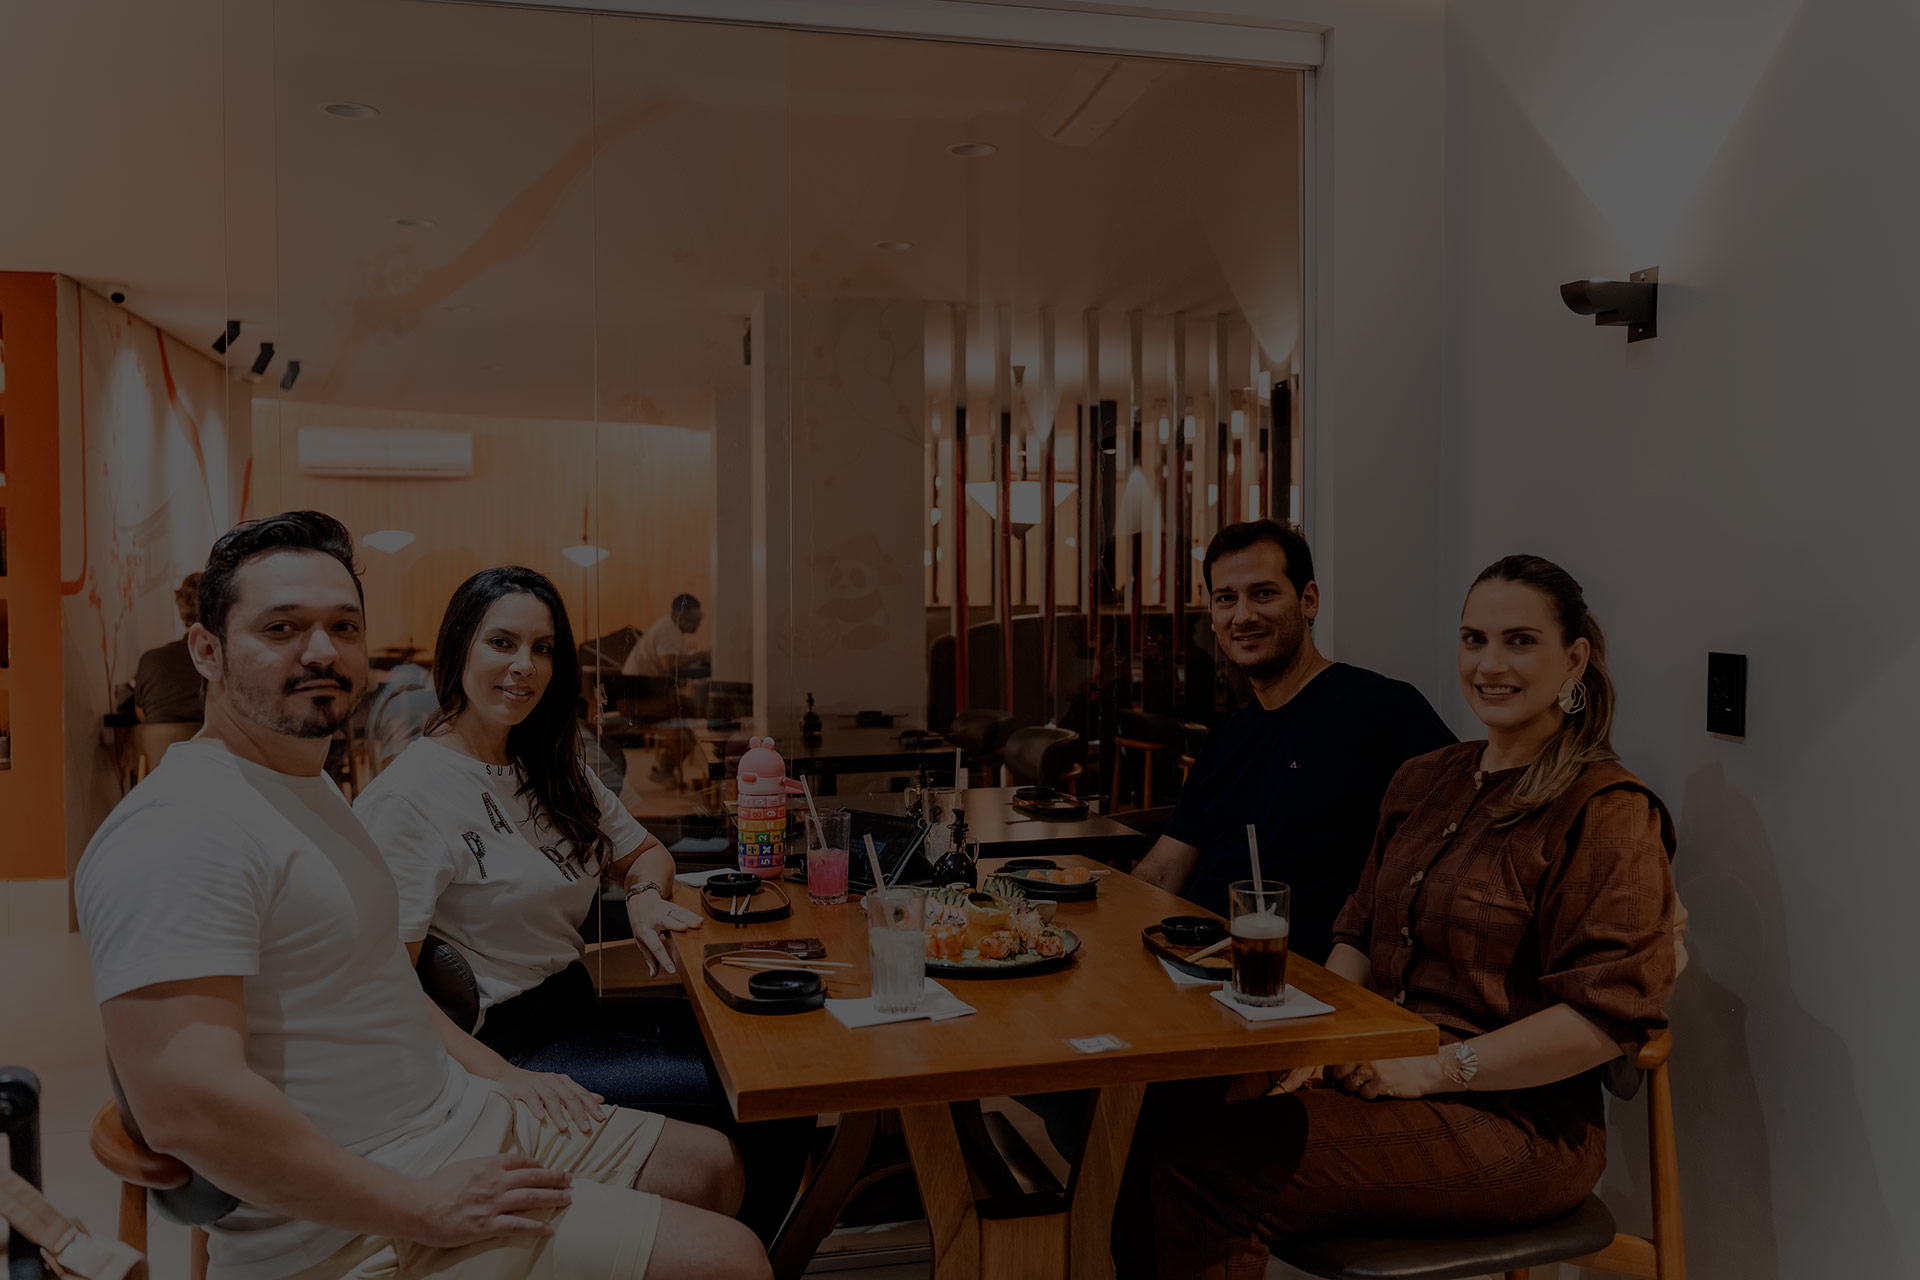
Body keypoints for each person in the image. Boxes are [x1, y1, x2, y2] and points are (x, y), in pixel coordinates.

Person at [76, 511, 769, 1280]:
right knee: (733, 1260)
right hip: (356, 1221)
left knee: (712, 1167)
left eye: (343, 626)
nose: (321, 650)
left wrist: (501, 1080)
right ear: (205, 650)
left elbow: (385, 980)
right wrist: (421, 1207)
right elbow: (189, 1109)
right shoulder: (180, 828)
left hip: (457, 1115)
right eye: (281, 627)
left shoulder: (308, 791)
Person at [1114, 554, 1680, 1278]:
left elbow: (1604, 1018)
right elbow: (1356, 932)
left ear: (1573, 660)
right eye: (1474, 639)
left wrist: (1433, 1069)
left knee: (1211, 1166)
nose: (1489, 664)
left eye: (1519, 641)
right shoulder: (1428, 777)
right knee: (1166, 1104)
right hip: (1376, 1068)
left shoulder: (1606, 809)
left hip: (1515, 1123)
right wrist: (1321, 1041)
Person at [354, 567, 806, 1239]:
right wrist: (505, 1077)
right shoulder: (409, 797)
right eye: (501, 643)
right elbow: (383, 985)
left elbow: (646, 852)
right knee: (764, 1095)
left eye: (542, 649)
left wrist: (644, 896)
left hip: (575, 1012)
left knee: (776, 1065)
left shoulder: (549, 762)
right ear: (458, 648)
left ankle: (745, 1256)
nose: (524, 666)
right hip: (505, 1050)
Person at [1131, 521, 1455, 964]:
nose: (1243, 615)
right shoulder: (1227, 737)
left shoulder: (1381, 708)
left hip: (1297, 976)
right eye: (1226, 598)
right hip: (1191, 960)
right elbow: (1163, 869)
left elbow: (1457, 847)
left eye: (1263, 593)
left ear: (1309, 600)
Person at [132, 572, 206, 723]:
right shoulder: (226, 661)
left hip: (159, 739)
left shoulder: (150, 661)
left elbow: (142, 715)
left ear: (180, 613)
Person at [620, 595, 707, 679]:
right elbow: (669, 665)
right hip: (635, 682)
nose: (697, 624)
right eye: (692, 620)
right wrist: (701, 655)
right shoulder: (667, 629)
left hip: (643, 680)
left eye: (699, 619)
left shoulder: (673, 627)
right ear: (676, 616)